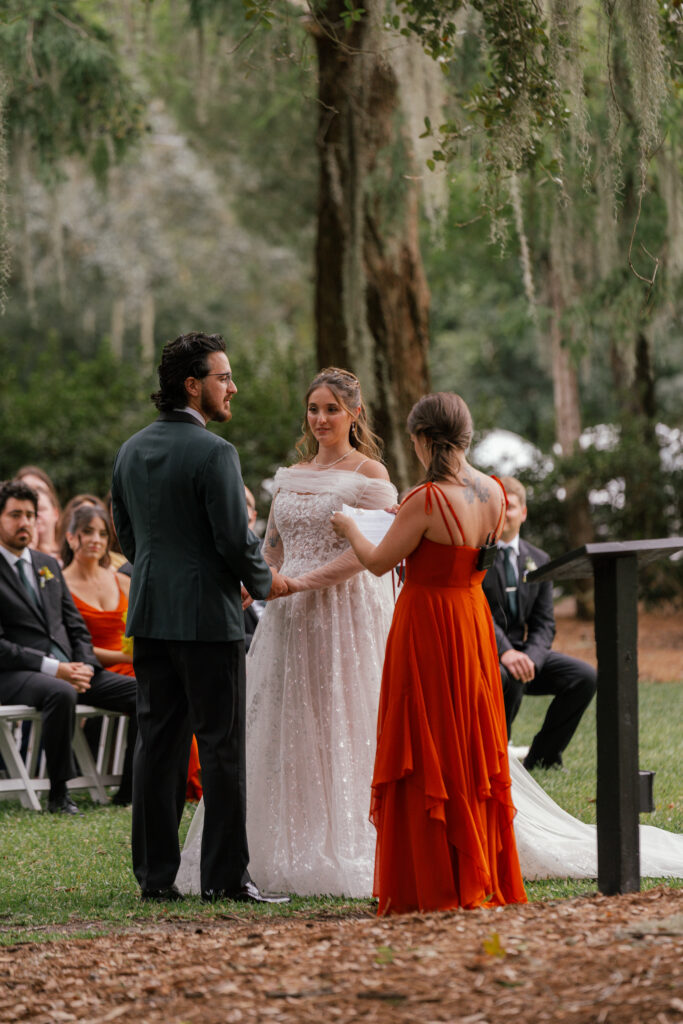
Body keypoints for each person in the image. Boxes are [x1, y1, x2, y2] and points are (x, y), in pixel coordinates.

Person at [176, 367, 398, 898]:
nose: (320, 419)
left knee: (344, 715)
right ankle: (278, 841)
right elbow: (271, 546)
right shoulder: (291, 475)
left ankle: (350, 837)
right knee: (287, 719)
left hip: (345, 613)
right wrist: (253, 584)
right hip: (288, 615)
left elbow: (370, 556)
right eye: (313, 409)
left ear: (354, 414)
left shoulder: (372, 475)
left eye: (331, 410)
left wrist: (298, 583)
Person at [331, 392, 528, 914]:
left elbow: (377, 563)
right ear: (466, 435)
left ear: (421, 439)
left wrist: (351, 527)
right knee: (466, 737)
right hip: (471, 621)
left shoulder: (425, 498)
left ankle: (433, 876)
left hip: (426, 626)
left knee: (427, 737)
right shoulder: (493, 492)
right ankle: (476, 864)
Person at [111, 331, 287, 904]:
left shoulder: (131, 449)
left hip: (152, 614)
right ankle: (224, 879)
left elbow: (129, 536)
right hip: (209, 621)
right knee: (221, 747)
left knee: (156, 746)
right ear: (193, 385)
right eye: (224, 377)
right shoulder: (216, 454)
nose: (232, 387)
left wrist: (162, 578)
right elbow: (236, 540)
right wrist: (260, 584)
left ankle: (155, 879)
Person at [0, 479, 137, 814]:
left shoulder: (46, 565)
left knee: (145, 692)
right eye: (15, 514)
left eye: (31, 515)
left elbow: (76, 627)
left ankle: (131, 790)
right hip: (16, 673)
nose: (26, 522)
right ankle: (59, 794)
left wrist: (86, 664)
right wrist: (55, 669)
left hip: (72, 669)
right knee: (59, 692)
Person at [481, 475, 597, 770]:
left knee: (584, 676)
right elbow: (476, 611)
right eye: (499, 504)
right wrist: (506, 652)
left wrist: (531, 657)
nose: (504, 511)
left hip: (525, 653)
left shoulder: (539, 559)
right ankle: (493, 759)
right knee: (507, 675)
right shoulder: (477, 555)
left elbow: (545, 622)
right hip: (484, 652)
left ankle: (543, 757)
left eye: (511, 505)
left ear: (523, 512)